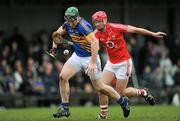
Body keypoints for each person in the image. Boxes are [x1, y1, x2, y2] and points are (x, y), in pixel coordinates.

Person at [47, 7, 130, 119]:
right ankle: (65, 108)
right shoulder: (67, 24)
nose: (70, 23)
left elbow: (95, 44)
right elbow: (56, 35)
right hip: (77, 56)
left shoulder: (84, 27)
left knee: (100, 87)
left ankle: (122, 101)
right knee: (62, 77)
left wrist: (92, 62)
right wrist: (54, 48)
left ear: (77, 17)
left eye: (72, 21)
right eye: (69, 21)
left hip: (91, 57)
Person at [91, 11, 167, 119]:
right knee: (101, 88)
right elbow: (91, 41)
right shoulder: (96, 33)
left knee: (120, 93)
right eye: (95, 22)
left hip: (124, 63)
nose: (96, 24)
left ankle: (143, 92)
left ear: (104, 20)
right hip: (111, 63)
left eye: (98, 22)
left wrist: (153, 34)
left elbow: (136, 29)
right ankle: (104, 115)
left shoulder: (115, 27)